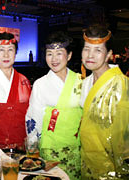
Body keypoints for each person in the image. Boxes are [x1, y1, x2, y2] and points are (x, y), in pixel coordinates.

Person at [25, 31, 82, 179]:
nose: (54, 59)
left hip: (77, 148)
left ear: (69, 55)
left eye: (59, 53)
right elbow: (33, 117)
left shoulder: (81, 81)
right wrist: (33, 148)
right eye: (49, 54)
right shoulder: (40, 84)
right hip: (50, 149)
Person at [80, 24, 129, 179]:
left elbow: (124, 137)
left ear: (109, 54)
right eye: (86, 49)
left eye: (98, 50)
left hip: (110, 171)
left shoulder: (120, 84)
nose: (90, 55)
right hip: (87, 164)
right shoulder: (86, 82)